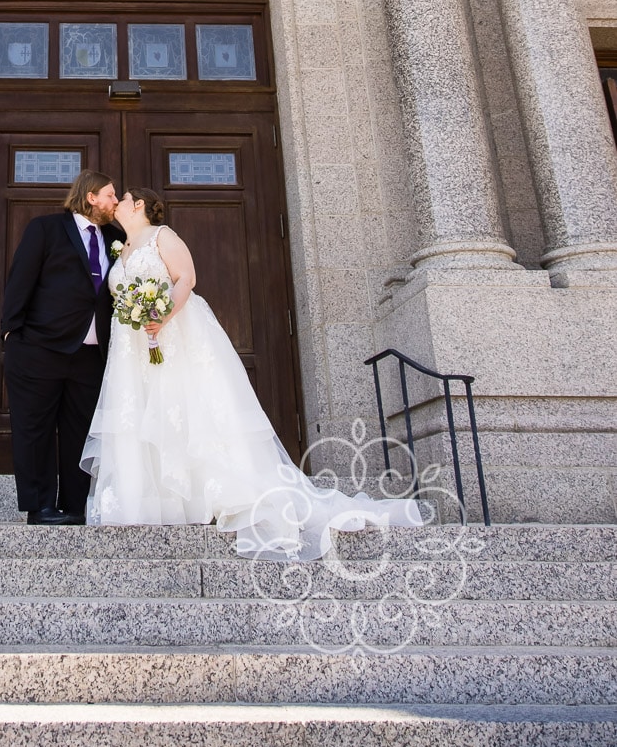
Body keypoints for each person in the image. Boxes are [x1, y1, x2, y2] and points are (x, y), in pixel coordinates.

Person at [82, 187, 424, 559]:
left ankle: (212, 495)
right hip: (133, 352)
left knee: (185, 409)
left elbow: (186, 279)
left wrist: (162, 316)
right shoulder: (122, 247)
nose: (119, 203)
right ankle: (154, 503)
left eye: (126, 197)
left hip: (174, 335)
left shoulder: (162, 237)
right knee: (145, 418)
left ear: (141, 205)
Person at [0, 169, 120, 524]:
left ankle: (75, 506)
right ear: (90, 197)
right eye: (111, 195)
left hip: (91, 355)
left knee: (80, 433)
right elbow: (20, 278)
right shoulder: (46, 229)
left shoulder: (116, 237)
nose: (115, 202)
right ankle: (40, 508)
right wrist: (11, 333)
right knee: (34, 429)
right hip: (40, 348)